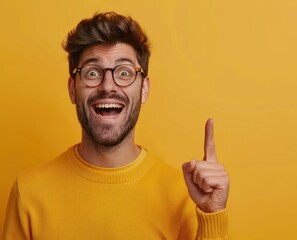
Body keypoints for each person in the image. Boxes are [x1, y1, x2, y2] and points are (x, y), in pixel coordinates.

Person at [3, 12, 229, 239]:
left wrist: (213, 215)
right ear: (73, 89)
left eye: (124, 73)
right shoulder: (28, 193)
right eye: (92, 73)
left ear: (144, 90)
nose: (108, 86)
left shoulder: (186, 195)